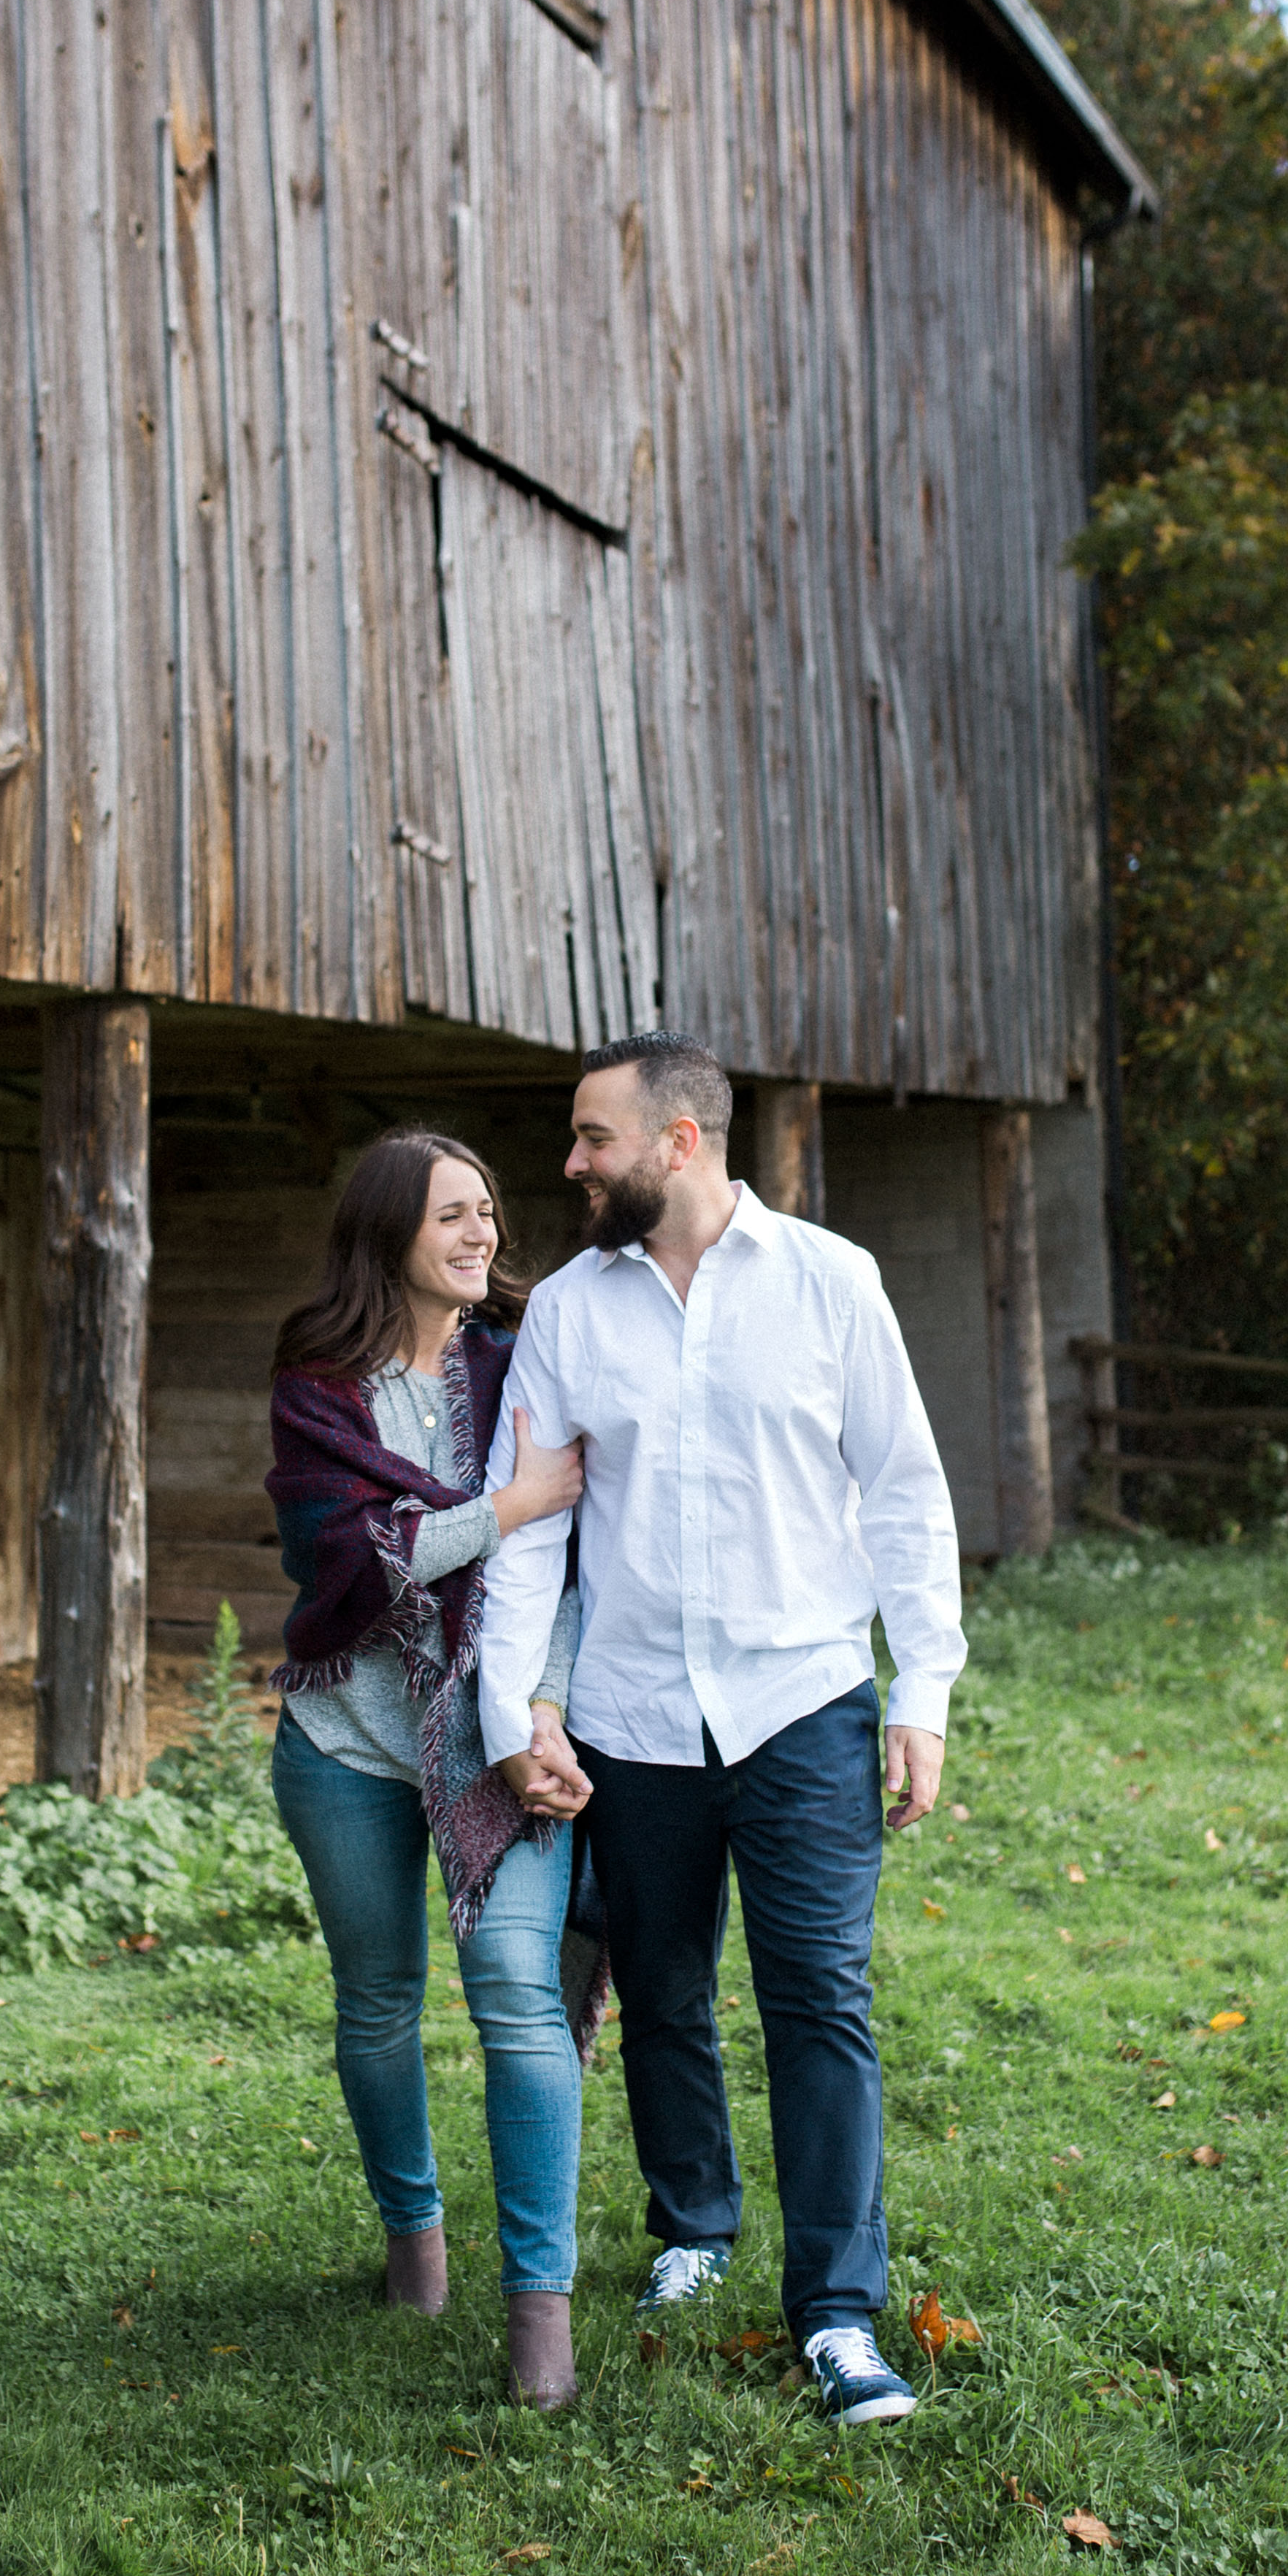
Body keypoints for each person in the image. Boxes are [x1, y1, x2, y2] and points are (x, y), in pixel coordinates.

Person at [475, 1033, 967, 2426]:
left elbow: (905, 1494)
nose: (570, 1165)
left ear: (679, 1141)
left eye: (592, 1139)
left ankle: (838, 2316)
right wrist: (522, 1715)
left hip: (803, 1702)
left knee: (822, 2002)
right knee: (666, 1996)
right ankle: (692, 2226)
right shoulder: (569, 1311)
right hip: (632, 1720)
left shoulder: (832, 1283)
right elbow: (530, 1532)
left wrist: (920, 1690)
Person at [265, 1127, 596, 2410]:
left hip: (498, 1741)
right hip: (346, 1741)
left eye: (488, 1214)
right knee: (378, 2004)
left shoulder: (524, 1365)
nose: (482, 1238)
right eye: (452, 1217)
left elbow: (578, 1555)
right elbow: (340, 1560)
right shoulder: (317, 1385)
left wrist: (545, 1705)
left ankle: (540, 2316)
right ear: (389, 1234)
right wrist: (502, 1508)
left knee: (517, 1997)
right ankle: (416, 2244)